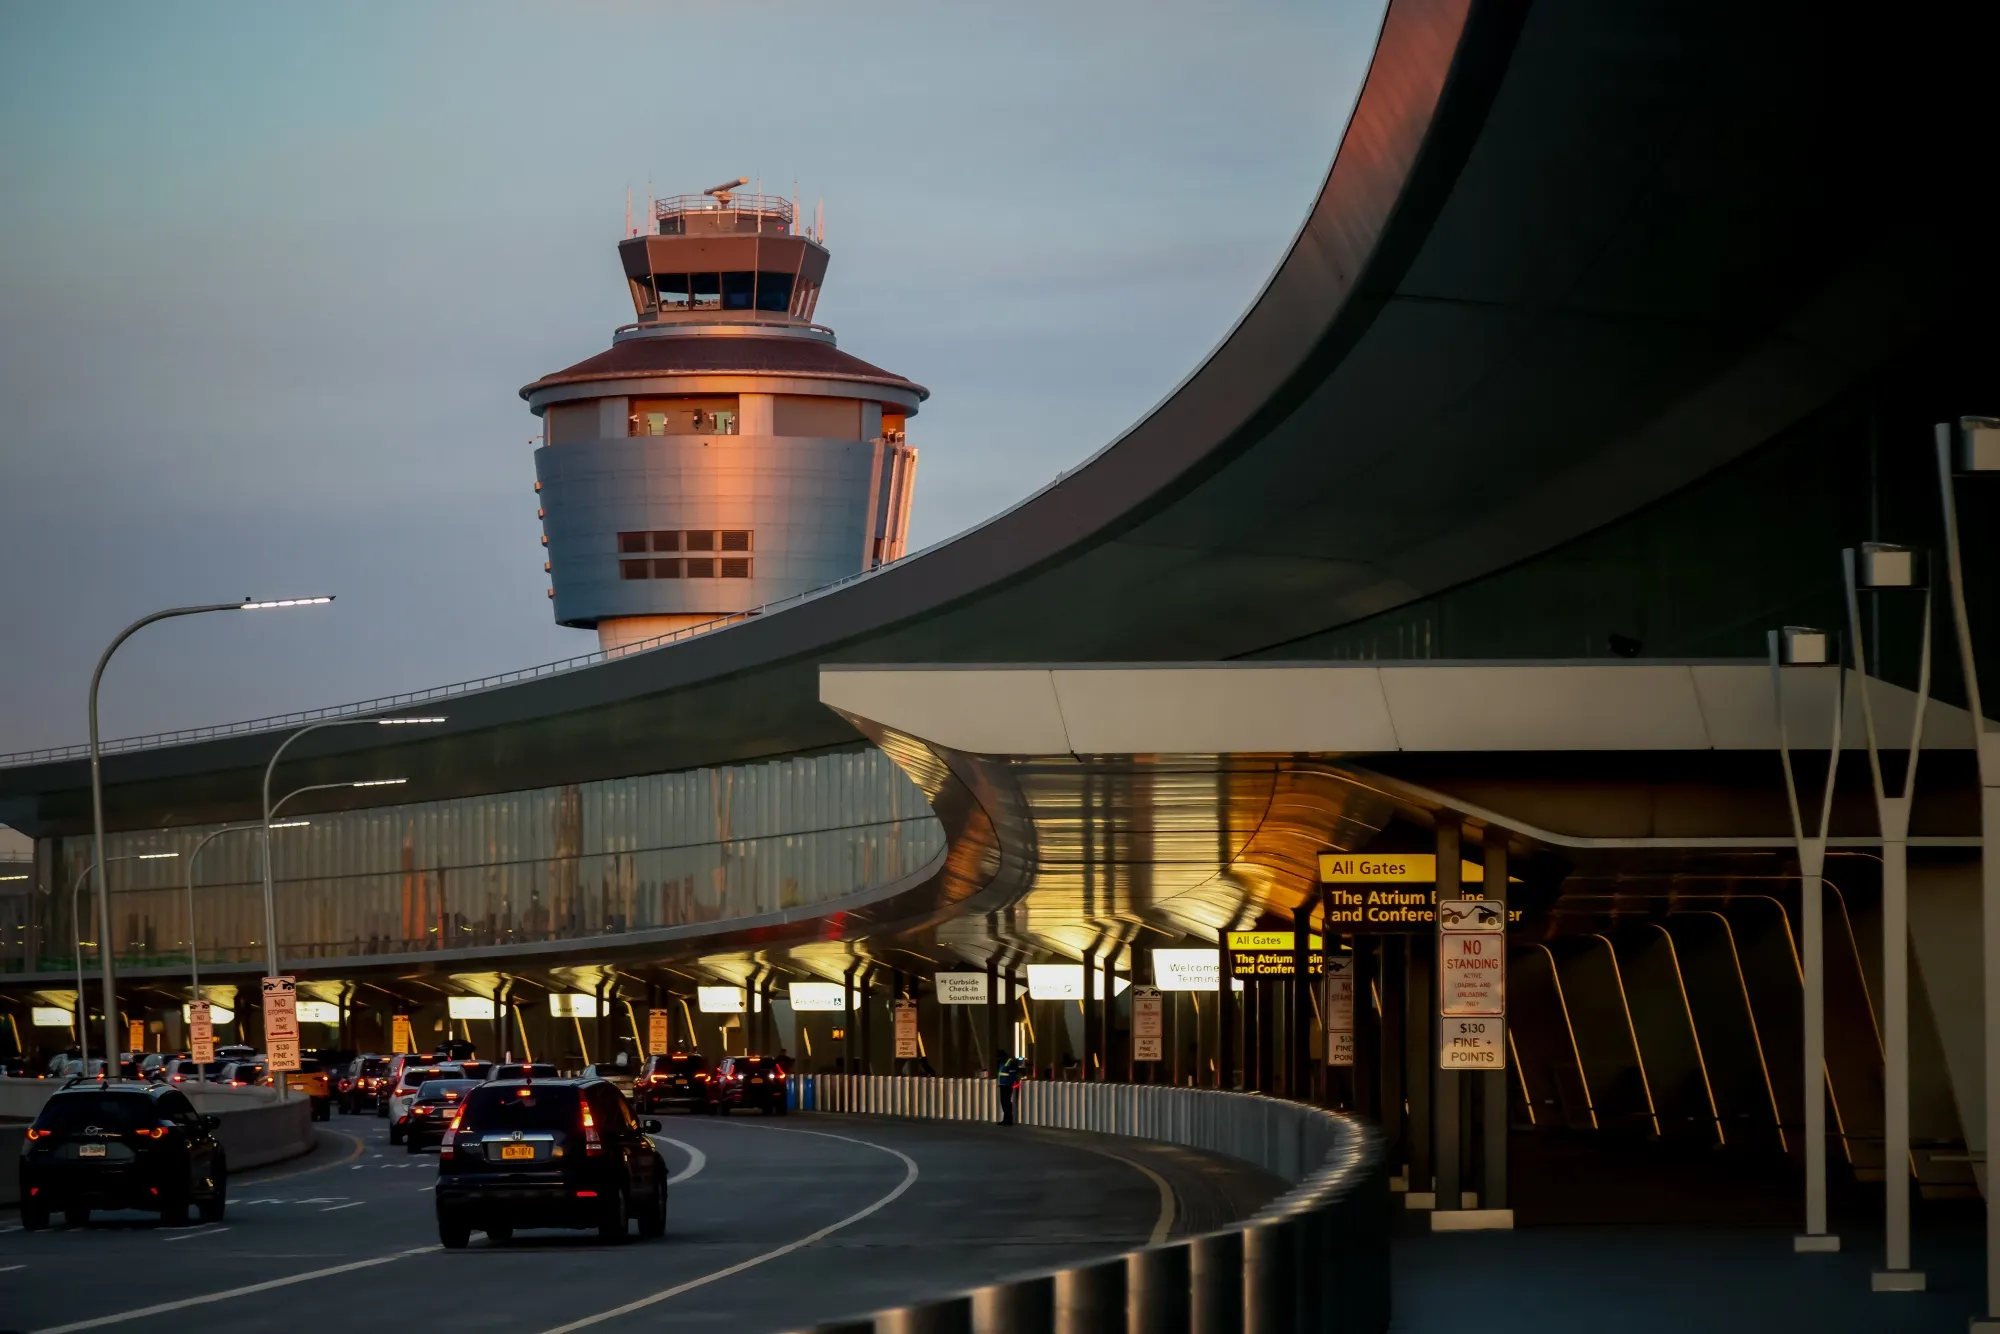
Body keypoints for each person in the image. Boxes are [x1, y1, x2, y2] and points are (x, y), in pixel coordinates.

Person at [996, 1053, 1025, 1126]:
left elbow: (1012, 1074)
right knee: (1004, 1102)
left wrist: (1012, 1083)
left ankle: (1008, 1119)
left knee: (1006, 1102)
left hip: (1007, 1085)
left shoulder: (1009, 1062)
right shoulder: (1003, 1063)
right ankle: (1006, 1119)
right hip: (1003, 1085)